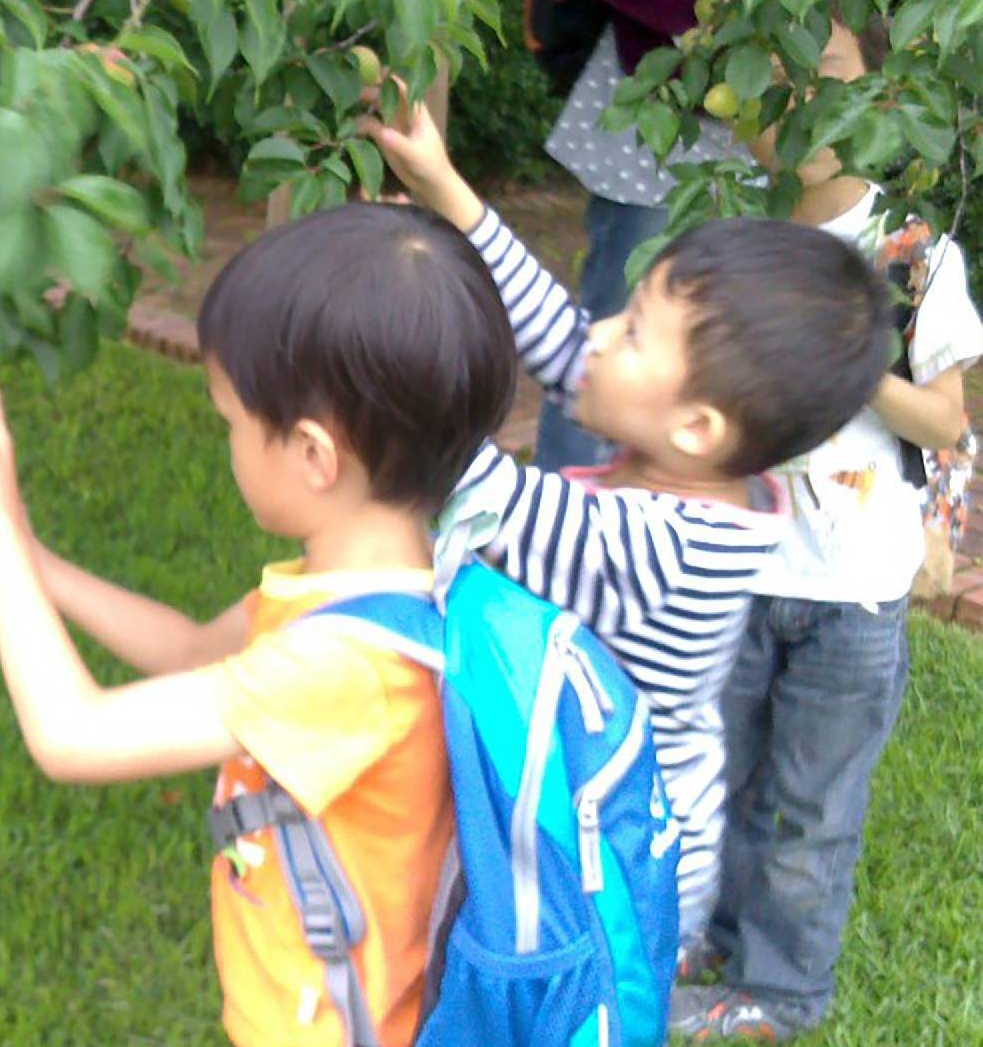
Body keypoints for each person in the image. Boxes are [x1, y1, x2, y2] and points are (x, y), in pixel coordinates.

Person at [0, 202, 520, 1046]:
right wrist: (24, 546)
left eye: (231, 423)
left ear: (314, 456)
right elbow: (191, 649)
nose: (226, 442)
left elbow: (74, 734)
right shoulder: (376, 594)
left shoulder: (348, 670)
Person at [361, 89, 894, 963]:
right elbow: (561, 343)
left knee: (560, 1008)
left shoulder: (658, 548)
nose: (599, 334)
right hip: (601, 827)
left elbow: (465, 474)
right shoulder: (704, 474)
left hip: (610, 875)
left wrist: (377, 326)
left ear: (695, 428)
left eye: (634, 330)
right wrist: (447, 191)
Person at [667, 23, 983, 1043]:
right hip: (738, 567)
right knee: (720, 769)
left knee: (809, 806)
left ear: (877, 99)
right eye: (777, 78)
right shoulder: (736, 245)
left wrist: (845, 365)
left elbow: (945, 420)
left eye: (832, 77)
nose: (802, 102)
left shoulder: (907, 254)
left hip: (852, 590)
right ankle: (707, 942)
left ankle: (784, 989)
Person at [536, 0, 751, 470]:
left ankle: (668, 502)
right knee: (618, 323)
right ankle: (565, 519)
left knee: (724, 333)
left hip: (765, 131)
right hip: (662, 124)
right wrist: (691, 21)